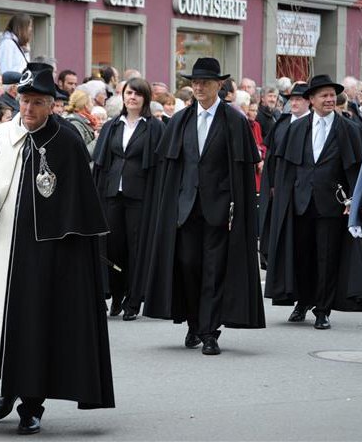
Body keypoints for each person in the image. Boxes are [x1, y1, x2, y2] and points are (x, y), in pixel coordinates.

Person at [0, 65, 114, 435]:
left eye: (37, 103)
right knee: (3, 323)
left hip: (49, 258)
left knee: (38, 328)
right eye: (24, 101)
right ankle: (4, 388)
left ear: (52, 105)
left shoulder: (68, 142)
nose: (28, 109)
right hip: (3, 250)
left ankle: (32, 402)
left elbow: (81, 207)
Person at [143, 58, 265, 355]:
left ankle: (210, 332)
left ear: (218, 86)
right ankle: (194, 323)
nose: (198, 87)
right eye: (194, 83)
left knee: (214, 269)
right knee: (187, 265)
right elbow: (170, 170)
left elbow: (242, 171)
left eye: (205, 83)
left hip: (220, 209)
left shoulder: (234, 121)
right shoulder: (180, 120)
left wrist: (237, 207)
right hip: (185, 209)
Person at [265, 75, 362, 328]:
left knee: (327, 258)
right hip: (300, 203)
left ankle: (323, 309)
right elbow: (285, 170)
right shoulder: (295, 128)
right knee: (301, 256)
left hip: (332, 205)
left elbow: (355, 170)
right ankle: (303, 301)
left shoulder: (349, 129)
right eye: (324, 96)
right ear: (311, 100)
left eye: (332, 95)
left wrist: (353, 201)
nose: (330, 99)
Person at [93, 78, 165, 320]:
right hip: (112, 193)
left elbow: (159, 166)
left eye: (137, 94)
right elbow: (102, 163)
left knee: (136, 248)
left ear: (145, 98)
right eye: (128, 93)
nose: (132, 97)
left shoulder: (154, 127)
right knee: (113, 247)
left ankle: (134, 300)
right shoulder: (112, 126)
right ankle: (115, 294)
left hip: (141, 196)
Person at [258, 83, 311, 269]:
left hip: (303, 188)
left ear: (309, 102)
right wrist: (271, 183)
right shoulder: (282, 123)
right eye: (292, 99)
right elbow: (271, 155)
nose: (294, 103)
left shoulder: (313, 123)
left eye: (299, 99)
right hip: (280, 187)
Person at [64, 89, 99, 158]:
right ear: (86, 105)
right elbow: (81, 154)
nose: (93, 105)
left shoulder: (84, 121)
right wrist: (97, 140)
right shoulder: (76, 124)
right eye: (91, 102)